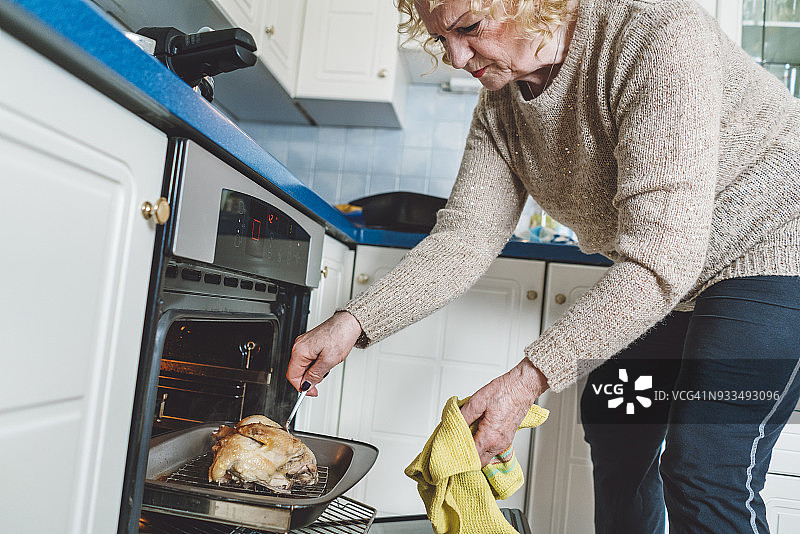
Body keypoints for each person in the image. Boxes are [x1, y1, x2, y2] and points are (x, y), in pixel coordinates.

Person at [287, 0, 800, 531]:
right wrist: (351, 322)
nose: (458, 58)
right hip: (677, 275)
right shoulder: (501, 108)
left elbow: (659, 258)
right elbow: (464, 238)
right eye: (442, 40)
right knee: (615, 416)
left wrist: (525, 381)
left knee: (704, 469)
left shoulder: (657, 35)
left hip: (775, 247)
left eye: (469, 28)